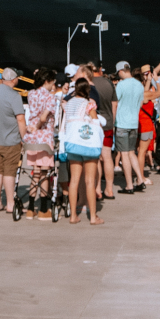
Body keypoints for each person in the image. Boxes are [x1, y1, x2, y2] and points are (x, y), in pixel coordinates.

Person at [57, 77, 106, 225]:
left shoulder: (69, 104)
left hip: (73, 143)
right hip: (87, 144)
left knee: (74, 180)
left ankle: (73, 216)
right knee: (90, 181)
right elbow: (96, 122)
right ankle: (93, 217)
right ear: (87, 90)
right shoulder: (89, 103)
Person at [0, 67, 26, 212]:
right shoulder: (15, 96)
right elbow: (20, 119)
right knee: (9, 171)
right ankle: (10, 204)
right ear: (13, 79)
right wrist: (24, 138)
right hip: (11, 140)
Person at [21, 67, 61, 216]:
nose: (53, 85)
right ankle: (44, 209)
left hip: (31, 140)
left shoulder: (31, 94)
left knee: (35, 172)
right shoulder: (51, 97)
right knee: (44, 173)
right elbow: (44, 118)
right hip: (44, 138)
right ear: (47, 81)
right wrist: (37, 127)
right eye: (52, 82)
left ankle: (31, 209)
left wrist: (32, 129)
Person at [112, 62, 146, 194]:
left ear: (120, 71)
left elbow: (115, 103)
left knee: (124, 154)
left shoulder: (121, 85)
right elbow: (141, 103)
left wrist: (112, 121)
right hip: (133, 122)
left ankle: (129, 185)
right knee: (132, 152)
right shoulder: (139, 85)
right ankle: (140, 179)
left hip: (122, 122)